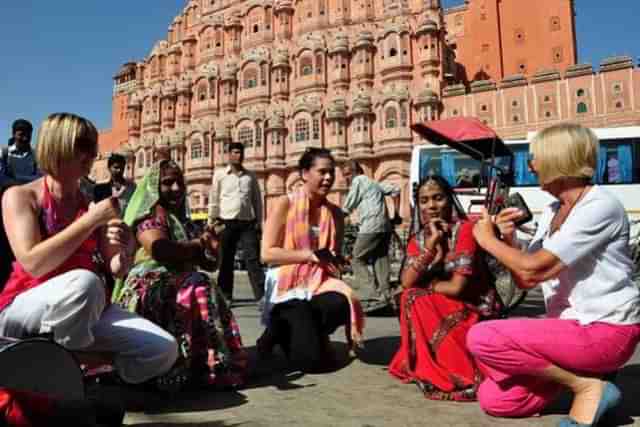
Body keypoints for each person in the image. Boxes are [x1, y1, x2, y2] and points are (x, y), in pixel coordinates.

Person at [468, 123, 640, 426]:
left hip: (604, 329)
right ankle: (588, 377)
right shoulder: (551, 210)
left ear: (559, 160)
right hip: (567, 328)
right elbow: (526, 278)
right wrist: (509, 241)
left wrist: (488, 241)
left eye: (536, 158)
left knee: (482, 336)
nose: (531, 165)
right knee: (494, 399)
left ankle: (586, 387)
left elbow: (532, 271)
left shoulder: (600, 206)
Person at [0, 113, 178, 386]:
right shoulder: (21, 197)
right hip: (28, 306)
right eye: (82, 146)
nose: (92, 154)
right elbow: (33, 263)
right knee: (86, 283)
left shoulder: (91, 202)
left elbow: (116, 269)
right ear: (58, 145)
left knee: (162, 349)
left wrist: (127, 248)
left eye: (93, 147)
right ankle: (71, 370)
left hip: (86, 307)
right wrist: (90, 220)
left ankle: (78, 368)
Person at [112, 159, 247, 390]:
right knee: (197, 284)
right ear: (155, 186)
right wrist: (196, 246)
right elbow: (159, 249)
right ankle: (175, 365)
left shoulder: (181, 218)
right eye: (167, 183)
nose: (176, 188)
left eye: (179, 182)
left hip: (182, 280)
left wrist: (214, 247)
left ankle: (203, 364)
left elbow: (208, 263)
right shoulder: (149, 215)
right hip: (151, 285)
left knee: (201, 282)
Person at [388, 176, 501, 401]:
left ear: (450, 200)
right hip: (443, 302)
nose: (431, 206)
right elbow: (406, 282)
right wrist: (430, 250)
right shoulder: (420, 238)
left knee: (415, 298)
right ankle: (434, 364)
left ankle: (458, 370)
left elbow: (457, 288)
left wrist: (428, 284)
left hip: (475, 308)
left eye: (438, 198)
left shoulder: (466, 230)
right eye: (424, 200)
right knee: (409, 296)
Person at [258, 148, 365, 373]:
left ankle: (305, 333)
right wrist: (309, 256)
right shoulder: (285, 204)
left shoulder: (335, 214)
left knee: (342, 300)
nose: (328, 178)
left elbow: (331, 256)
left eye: (331, 172)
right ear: (305, 173)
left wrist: (337, 261)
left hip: (318, 284)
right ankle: (278, 331)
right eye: (322, 172)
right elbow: (267, 254)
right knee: (310, 363)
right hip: (289, 285)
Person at [341, 160, 401, 312]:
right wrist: (396, 214)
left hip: (371, 226)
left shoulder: (359, 180)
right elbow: (396, 190)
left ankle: (371, 294)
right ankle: (386, 295)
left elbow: (349, 205)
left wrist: (337, 215)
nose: (346, 178)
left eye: (347, 174)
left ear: (356, 172)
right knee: (380, 258)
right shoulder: (374, 183)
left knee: (356, 258)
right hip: (384, 226)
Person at [208, 142, 265, 302]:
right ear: (229, 155)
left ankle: (261, 296)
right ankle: (225, 296)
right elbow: (214, 199)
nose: (238, 156)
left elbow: (257, 201)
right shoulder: (220, 175)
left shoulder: (250, 176)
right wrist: (211, 222)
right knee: (226, 259)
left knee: (253, 259)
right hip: (226, 222)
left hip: (247, 223)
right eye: (234, 152)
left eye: (240, 153)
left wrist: (260, 222)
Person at [0, 119, 40, 188]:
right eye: (21, 135)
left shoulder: (37, 156)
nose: (25, 138)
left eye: (28, 135)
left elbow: (40, 178)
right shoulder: (4, 153)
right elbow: (2, 179)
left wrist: (14, 178)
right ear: (13, 134)